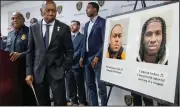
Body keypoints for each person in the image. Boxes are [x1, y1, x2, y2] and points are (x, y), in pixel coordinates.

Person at [25, 1, 74, 106]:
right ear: (41, 11)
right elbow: (30, 52)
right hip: (39, 72)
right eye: (48, 10)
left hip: (57, 71)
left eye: (53, 11)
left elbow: (69, 51)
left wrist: (64, 68)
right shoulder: (33, 28)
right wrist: (29, 72)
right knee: (42, 102)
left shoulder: (64, 28)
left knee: (60, 102)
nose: (51, 13)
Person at [132, 16, 168, 106]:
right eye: (148, 34)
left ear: (163, 37)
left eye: (158, 33)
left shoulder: (169, 61)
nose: (153, 40)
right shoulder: (136, 58)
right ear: (143, 38)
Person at [4, 12, 36, 106]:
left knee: (28, 96)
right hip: (13, 72)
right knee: (15, 96)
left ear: (23, 19)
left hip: (26, 70)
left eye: (17, 18)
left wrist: (21, 55)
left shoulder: (30, 32)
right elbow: (7, 49)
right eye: (13, 18)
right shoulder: (10, 34)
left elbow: (35, 51)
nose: (15, 20)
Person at [79, 2, 107, 106]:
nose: (86, 10)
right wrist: (82, 56)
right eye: (86, 8)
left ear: (95, 9)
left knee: (101, 86)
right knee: (90, 85)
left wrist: (97, 56)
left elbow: (105, 42)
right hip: (86, 59)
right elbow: (84, 41)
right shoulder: (86, 25)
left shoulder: (102, 22)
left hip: (97, 59)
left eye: (88, 8)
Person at [66, 20, 87, 106]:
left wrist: (71, 58)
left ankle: (82, 101)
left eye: (74, 25)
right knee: (70, 84)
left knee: (80, 85)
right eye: (71, 25)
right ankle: (73, 100)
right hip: (68, 66)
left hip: (77, 65)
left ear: (78, 26)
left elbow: (81, 50)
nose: (72, 27)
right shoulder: (67, 37)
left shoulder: (82, 37)